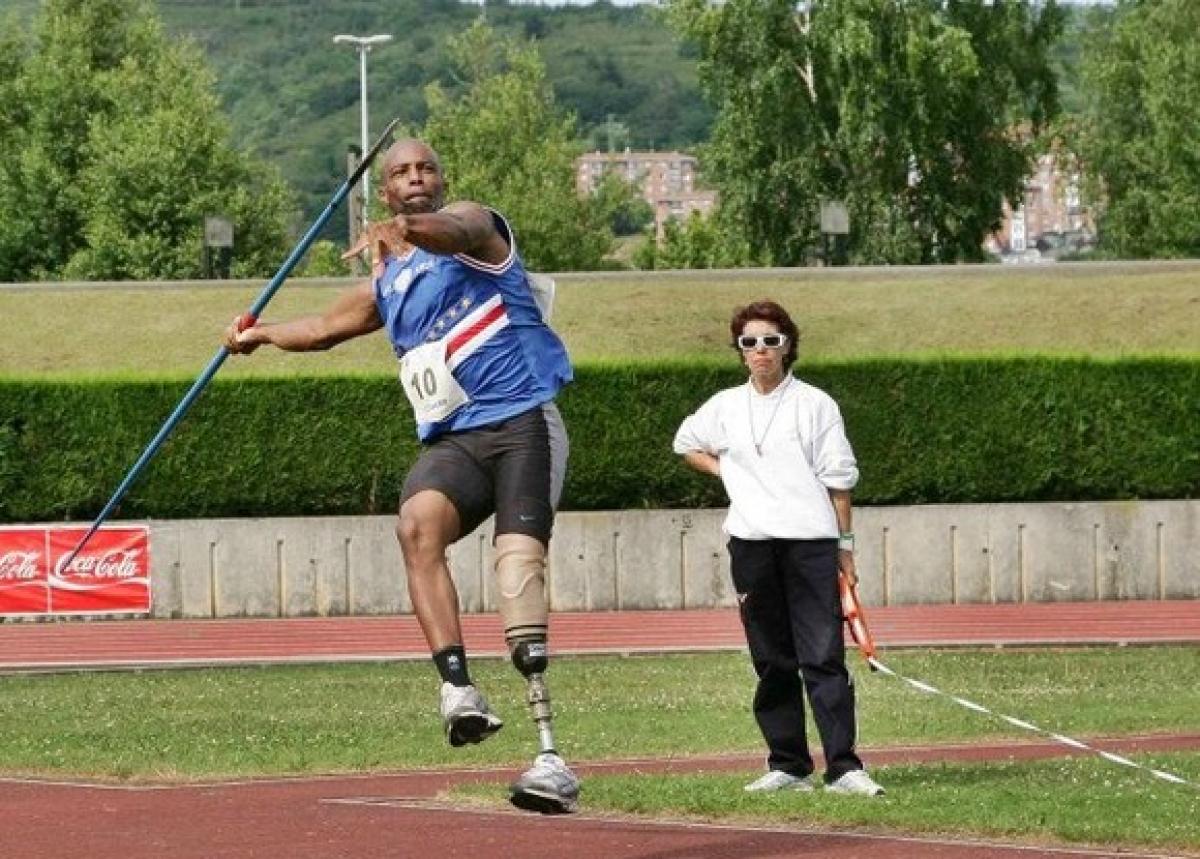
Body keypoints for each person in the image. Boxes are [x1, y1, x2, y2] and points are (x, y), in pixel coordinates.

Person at [222, 138, 580, 814]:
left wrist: (410, 230)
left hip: (524, 422)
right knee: (416, 524)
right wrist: (259, 334)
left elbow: (457, 227)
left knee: (516, 574)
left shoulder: (478, 231)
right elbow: (326, 326)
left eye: (426, 169)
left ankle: (550, 757)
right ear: (381, 191)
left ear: (442, 179)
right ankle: (458, 690)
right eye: (401, 174)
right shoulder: (387, 279)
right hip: (458, 439)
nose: (417, 178)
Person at [672, 299, 884, 796]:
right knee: (771, 659)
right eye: (750, 342)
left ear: (788, 347)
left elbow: (839, 482)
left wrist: (845, 549)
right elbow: (686, 442)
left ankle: (844, 766)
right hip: (751, 545)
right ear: (740, 351)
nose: (761, 350)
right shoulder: (724, 405)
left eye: (771, 340)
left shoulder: (815, 404)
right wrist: (727, 470)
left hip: (810, 544)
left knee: (823, 655)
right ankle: (788, 763)